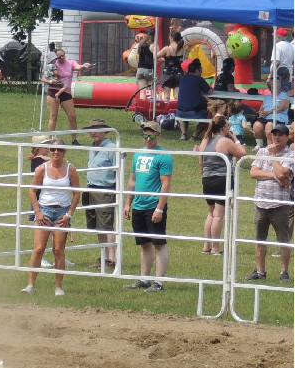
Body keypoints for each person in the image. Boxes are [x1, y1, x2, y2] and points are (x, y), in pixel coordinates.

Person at [21, 139, 80, 296]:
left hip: (62, 212)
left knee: (58, 249)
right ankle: (30, 285)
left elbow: (76, 193)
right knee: (39, 248)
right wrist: (38, 212)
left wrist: (69, 214)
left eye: (59, 150)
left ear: (64, 151)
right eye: (52, 149)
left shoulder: (70, 169)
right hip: (45, 210)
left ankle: (58, 286)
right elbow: (32, 191)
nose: (55, 152)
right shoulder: (42, 168)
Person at [124, 121, 173, 293]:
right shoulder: (138, 154)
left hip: (153, 205)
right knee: (144, 243)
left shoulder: (164, 156)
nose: (147, 139)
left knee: (159, 243)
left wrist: (159, 208)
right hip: (138, 204)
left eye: (151, 135)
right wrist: (128, 203)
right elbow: (133, 180)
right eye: (145, 135)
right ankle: (144, 279)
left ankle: (159, 282)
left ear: (158, 136)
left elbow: (165, 184)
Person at [245, 124, 293, 281]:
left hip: (280, 205)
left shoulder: (290, 155)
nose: (276, 137)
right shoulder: (262, 151)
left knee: (283, 240)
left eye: (280, 135)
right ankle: (260, 271)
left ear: (287, 138)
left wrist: (273, 157)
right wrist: (273, 175)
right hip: (261, 203)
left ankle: (284, 272)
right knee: (260, 239)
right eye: (274, 134)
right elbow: (253, 173)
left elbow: (283, 173)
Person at [197, 116, 247, 255]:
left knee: (211, 213)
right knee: (219, 215)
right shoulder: (225, 141)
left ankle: (206, 246)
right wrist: (236, 139)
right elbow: (243, 153)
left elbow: (200, 162)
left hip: (207, 179)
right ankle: (215, 247)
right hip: (221, 179)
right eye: (228, 125)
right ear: (223, 128)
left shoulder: (205, 141)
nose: (229, 128)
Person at [83, 119, 118, 270]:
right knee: (98, 226)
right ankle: (104, 257)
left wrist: (116, 191)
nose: (93, 132)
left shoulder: (112, 148)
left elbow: (118, 171)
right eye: (91, 129)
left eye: (97, 129)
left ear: (105, 131)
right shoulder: (93, 147)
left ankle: (112, 259)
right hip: (91, 189)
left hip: (105, 190)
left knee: (106, 226)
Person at [41, 49, 92, 144]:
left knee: (72, 117)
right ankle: (51, 140)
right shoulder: (52, 64)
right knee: (53, 116)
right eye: (59, 56)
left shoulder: (70, 63)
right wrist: (50, 81)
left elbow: (77, 67)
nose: (62, 57)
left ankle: (74, 140)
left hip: (65, 92)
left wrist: (83, 66)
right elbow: (43, 78)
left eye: (63, 55)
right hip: (53, 91)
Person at [176, 58, 211, 141]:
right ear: (197, 70)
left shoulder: (182, 78)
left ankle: (183, 133)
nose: (201, 73)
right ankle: (194, 135)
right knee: (207, 116)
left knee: (183, 114)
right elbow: (210, 91)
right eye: (201, 71)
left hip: (179, 111)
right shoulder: (199, 79)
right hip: (193, 112)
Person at [252, 78, 291, 148]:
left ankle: (270, 146)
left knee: (269, 125)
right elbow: (261, 108)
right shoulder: (267, 97)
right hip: (266, 117)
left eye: (276, 85)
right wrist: (261, 113)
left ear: (279, 86)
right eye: (272, 85)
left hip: (278, 117)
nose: (273, 87)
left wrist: (268, 112)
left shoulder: (283, 95)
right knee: (256, 125)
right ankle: (259, 145)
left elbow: (281, 108)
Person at [158, 31, 186, 101]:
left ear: (172, 38)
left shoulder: (167, 48)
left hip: (168, 74)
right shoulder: (183, 49)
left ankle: (166, 111)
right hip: (179, 74)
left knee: (166, 96)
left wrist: (156, 49)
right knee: (177, 97)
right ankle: (176, 110)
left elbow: (156, 55)